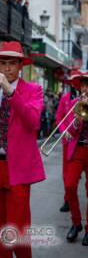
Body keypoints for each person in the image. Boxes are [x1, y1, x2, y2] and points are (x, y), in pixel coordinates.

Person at [0, 41, 46, 258]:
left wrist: (10, 92)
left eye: (12, 63)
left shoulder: (33, 90)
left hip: (18, 169)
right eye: (3, 63)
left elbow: (34, 121)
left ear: (20, 67)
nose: (7, 68)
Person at [64, 72, 88, 245]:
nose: (85, 89)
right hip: (78, 149)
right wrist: (78, 119)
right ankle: (76, 222)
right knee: (70, 185)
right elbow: (71, 132)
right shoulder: (74, 104)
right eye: (83, 86)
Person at [56, 70, 80, 212]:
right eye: (73, 81)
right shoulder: (65, 98)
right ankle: (68, 200)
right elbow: (59, 117)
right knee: (67, 175)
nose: (74, 84)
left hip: (82, 141)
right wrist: (64, 131)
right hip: (68, 141)